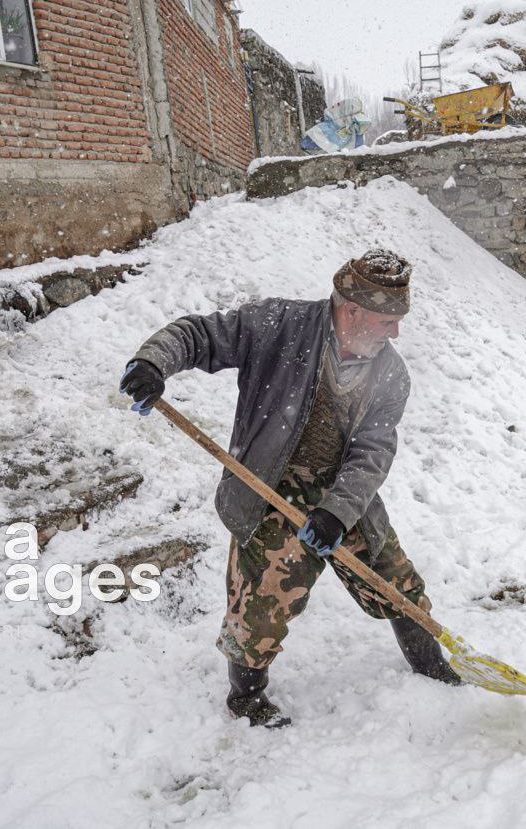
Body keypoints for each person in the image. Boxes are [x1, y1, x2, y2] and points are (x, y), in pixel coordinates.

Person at [120, 249, 459, 728]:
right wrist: (153, 363)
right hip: (265, 487)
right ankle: (247, 700)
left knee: (398, 583)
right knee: (262, 603)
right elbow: (197, 334)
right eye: (388, 322)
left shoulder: (390, 373)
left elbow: (373, 451)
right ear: (353, 310)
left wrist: (338, 513)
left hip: (343, 493)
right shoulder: (280, 325)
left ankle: (431, 667)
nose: (395, 334)